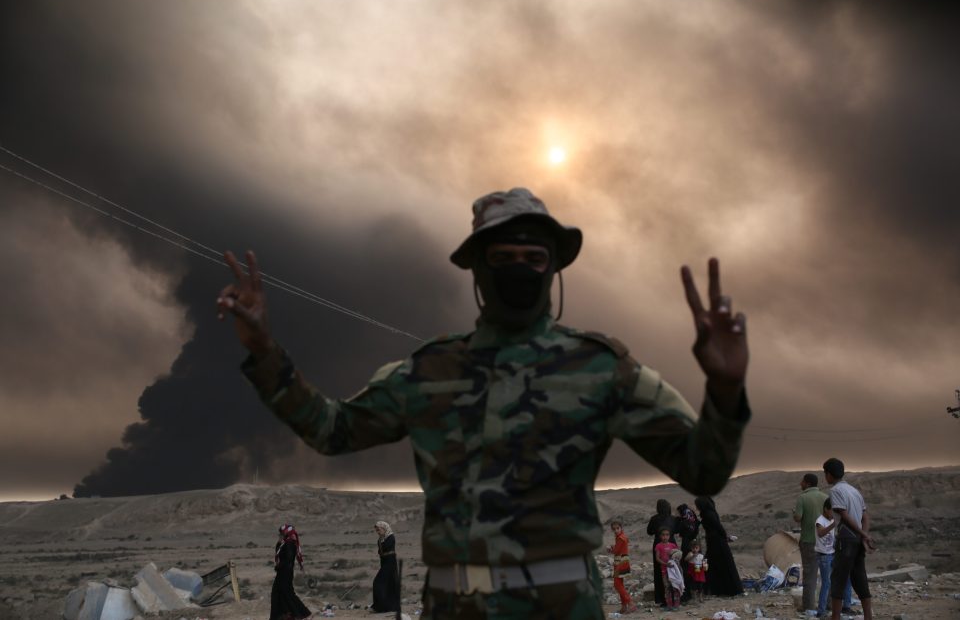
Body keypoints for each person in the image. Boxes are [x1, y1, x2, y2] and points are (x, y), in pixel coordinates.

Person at [219, 187, 752, 619]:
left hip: (565, 606)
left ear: (554, 268)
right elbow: (332, 430)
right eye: (502, 257)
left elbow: (703, 470)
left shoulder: (599, 367)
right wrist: (266, 353)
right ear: (477, 269)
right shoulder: (430, 371)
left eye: (533, 256)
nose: (519, 268)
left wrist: (725, 390)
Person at [823, 458, 874, 620]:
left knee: (838, 579)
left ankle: (835, 617)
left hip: (846, 540)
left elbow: (844, 515)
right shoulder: (854, 491)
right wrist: (863, 535)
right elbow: (865, 517)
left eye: (825, 473)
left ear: (829, 474)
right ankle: (868, 616)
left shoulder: (836, 491)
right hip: (857, 540)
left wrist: (863, 534)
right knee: (860, 578)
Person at [793, 472, 828, 616]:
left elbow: (798, 517)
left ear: (807, 483)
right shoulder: (826, 497)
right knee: (827, 575)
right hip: (825, 542)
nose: (800, 484)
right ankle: (828, 604)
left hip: (808, 540)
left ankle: (809, 606)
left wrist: (794, 513)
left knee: (809, 575)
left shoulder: (802, 498)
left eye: (802, 481)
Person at [694, 496, 743, 597]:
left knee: (714, 564)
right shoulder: (709, 513)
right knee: (720, 564)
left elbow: (717, 527)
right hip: (717, 541)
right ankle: (723, 589)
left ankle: (718, 589)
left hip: (715, 542)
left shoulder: (707, 514)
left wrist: (725, 536)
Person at [815, 498, 853, 618]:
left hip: (833, 554)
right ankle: (821, 611)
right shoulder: (820, 521)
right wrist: (833, 525)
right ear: (826, 509)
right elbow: (821, 533)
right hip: (824, 556)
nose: (834, 514)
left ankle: (846, 606)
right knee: (826, 583)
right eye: (833, 511)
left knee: (844, 578)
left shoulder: (832, 519)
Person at [271, 524, 311, 620]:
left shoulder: (289, 544)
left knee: (287, 593)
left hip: (285, 573)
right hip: (282, 572)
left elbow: (288, 559)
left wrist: (279, 567)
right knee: (277, 593)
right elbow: (279, 553)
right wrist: (278, 543)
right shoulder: (284, 543)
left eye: (281, 533)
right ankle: (282, 616)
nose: (280, 535)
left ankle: (301, 614)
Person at [646, 499, 678, 607]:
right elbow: (677, 530)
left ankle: (662, 598)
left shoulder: (654, 519)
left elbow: (649, 531)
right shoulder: (673, 519)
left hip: (658, 544)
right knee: (674, 570)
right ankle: (675, 597)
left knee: (660, 571)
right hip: (672, 544)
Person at [607, 520, 637, 614]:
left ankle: (630, 603)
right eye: (614, 529)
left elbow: (616, 551)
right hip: (622, 561)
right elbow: (619, 549)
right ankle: (624, 606)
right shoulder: (622, 537)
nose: (616, 530)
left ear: (621, 528)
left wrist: (610, 549)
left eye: (617, 528)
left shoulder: (620, 538)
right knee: (620, 583)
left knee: (617, 584)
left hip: (620, 562)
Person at [372, 521, 401, 613]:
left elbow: (386, 548)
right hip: (384, 562)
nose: (378, 532)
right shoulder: (380, 539)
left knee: (379, 583)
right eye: (376, 530)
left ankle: (386, 606)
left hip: (390, 563)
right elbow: (381, 552)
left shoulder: (390, 537)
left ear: (384, 528)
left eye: (379, 529)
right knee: (385, 584)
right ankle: (381, 606)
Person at [675, 503, 700, 601]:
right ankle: (698, 590)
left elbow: (677, 530)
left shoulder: (684, 521)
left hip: (686, 544)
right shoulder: (693, 518)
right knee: (696, 566)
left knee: (686, 567)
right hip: (696, 544)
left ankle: (688, 593)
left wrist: (678, 520)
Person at [654, 528, 682, 611]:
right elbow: (657, 558)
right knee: (667, 587)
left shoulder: (673, 545)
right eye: (663, 535)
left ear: (669, 536)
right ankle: (669, 605)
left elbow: (678, 555)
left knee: (675, 587)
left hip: (673, 571)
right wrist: (666, 564)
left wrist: (676, 563)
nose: (665, 537)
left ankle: (676, 605)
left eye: (667, 535)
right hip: (665, 571)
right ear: (660, 536)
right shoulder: (658, 546)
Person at [684, 540, 707, 605]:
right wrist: (692, 556)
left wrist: (705, 567)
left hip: (699, 570)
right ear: (691, 548)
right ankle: (694, 598)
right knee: (693, 585)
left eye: (696, 548)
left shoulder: (701, 555)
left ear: (699, 548)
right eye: (693, 548)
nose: (695, 549)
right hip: (692, 571)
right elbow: (686, 559)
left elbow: (704, 562)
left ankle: (700, 597)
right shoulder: (690, 554)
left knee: (700, 585)